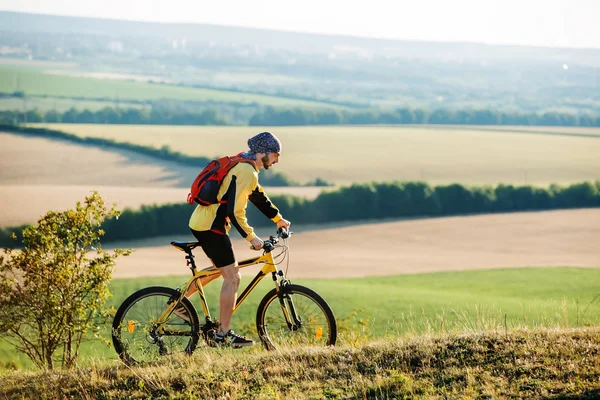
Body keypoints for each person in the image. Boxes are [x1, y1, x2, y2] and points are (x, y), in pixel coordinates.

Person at [184, 131, 291, 347]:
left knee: (220, 270)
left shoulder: (245, 166)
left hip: (204, 223)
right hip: (210, 227)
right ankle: (223, 334)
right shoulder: (246, 171)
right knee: (233, 277)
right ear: (263, 153)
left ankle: (179, 303)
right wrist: (251, 237)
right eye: (275, 155)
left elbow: (257, 195)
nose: (277, 160)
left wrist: (278, 219)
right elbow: (235, 212)